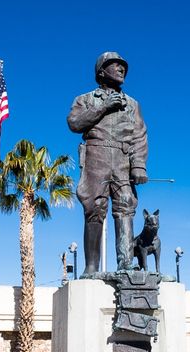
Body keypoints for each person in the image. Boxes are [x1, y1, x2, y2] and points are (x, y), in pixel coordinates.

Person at [67, 51, 148, 276]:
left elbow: (140, 135)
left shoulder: (132, 104)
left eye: (124, 67)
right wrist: (103, 107)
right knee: (94, 207)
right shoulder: (85, 99)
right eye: (115, 65)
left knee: (125, 205)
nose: (121, 69)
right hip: (96, 156)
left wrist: (138, 165)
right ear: (102, 72)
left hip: (123, 158)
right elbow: (74, 123)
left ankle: (125, 264)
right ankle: (91, 267)